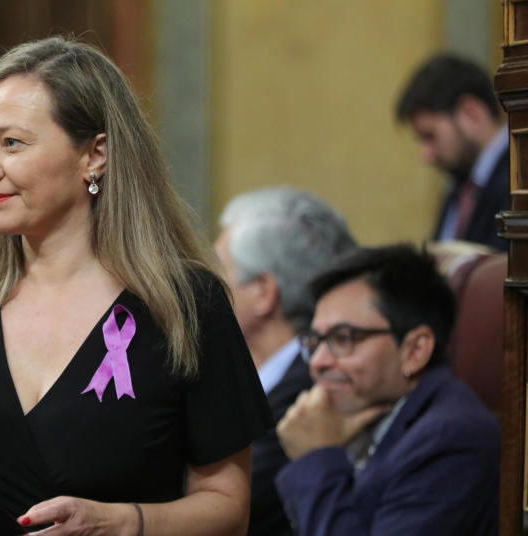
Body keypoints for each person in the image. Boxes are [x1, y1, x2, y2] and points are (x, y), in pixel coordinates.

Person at [0, 36, 273, 535]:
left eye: (13, 143)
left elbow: (228, 509)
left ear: (94, 154)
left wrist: (119, 523)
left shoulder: (186, 304)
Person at [275, 244, 500, 535]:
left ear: (415, 350)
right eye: (315, 341)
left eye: (343, 338)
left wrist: (315, 457)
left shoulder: (451, 438)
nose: (318, 362)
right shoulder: (361, 415)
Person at [215, 187, 356, 536]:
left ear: (263, 292)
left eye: (220, 269)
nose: (206, 283)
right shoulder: (239, 375)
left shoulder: (308, 400)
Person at [395, 53, 509, 250]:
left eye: (430, 136)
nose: (426, 155)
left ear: (471, 113)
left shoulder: (523, 178)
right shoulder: (462, 184)